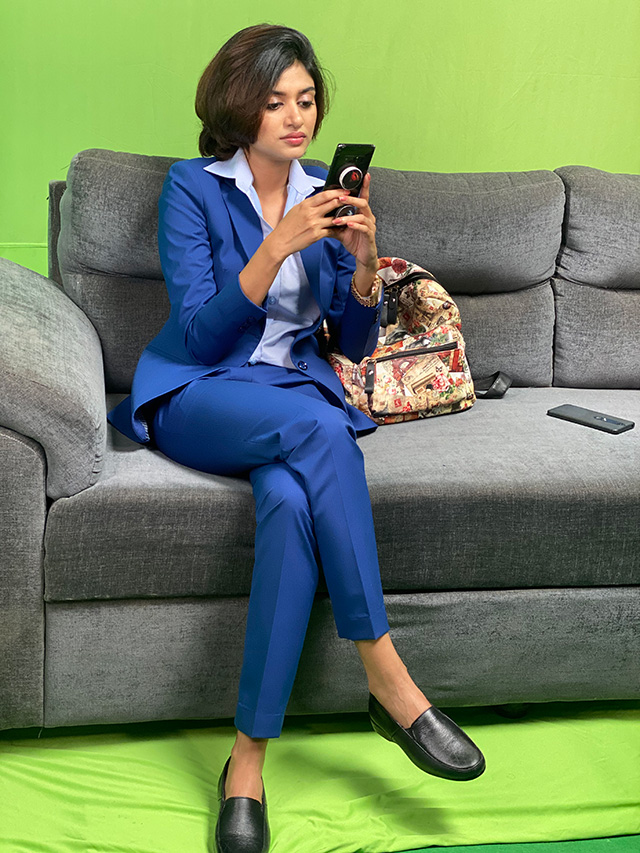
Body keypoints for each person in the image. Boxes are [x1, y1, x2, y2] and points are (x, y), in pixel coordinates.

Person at [106, 23, 485, 853]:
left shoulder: (325, 192)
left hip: (291, 400)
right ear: (239, 107)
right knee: (320, 428)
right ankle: (389, 679)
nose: (295, 116)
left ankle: (246, 764)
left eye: (306, 100)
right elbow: (200, 333)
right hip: (201, 390)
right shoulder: (192, 188)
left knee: (287, 502)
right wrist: (278, 242)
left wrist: (362, 262)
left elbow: (349, 341)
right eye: (275, 100)